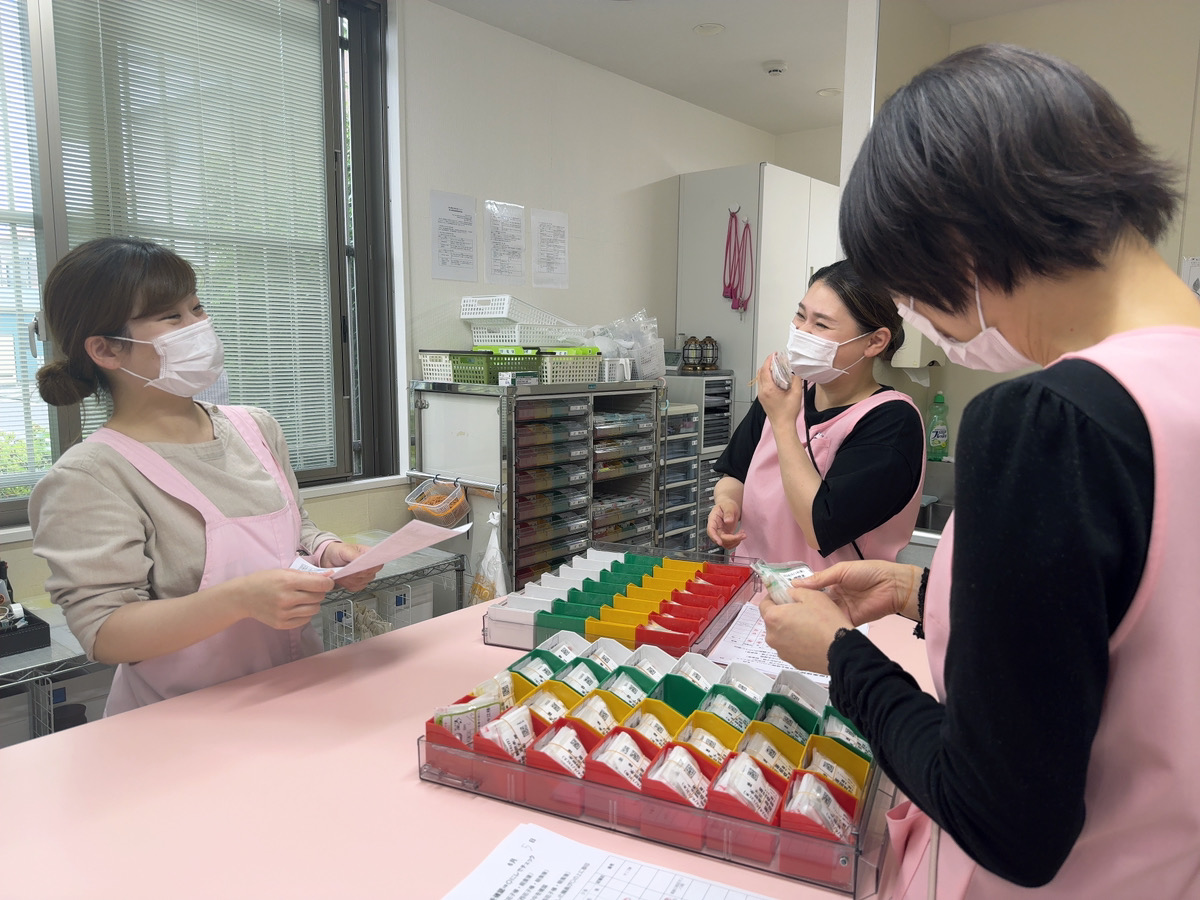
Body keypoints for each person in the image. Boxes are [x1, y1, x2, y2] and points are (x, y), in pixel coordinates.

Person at [758, 44, 1200, 899]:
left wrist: (845, 657)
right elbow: (1136, 637)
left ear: (959, 244)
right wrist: (922, 595)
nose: (924, 318)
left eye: (914, 294)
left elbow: (1007, 820)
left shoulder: (1053, 427)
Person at [29, 237, 382, 715]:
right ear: (107, 350)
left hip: (294, 692)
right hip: (180, 722)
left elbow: (296, 530)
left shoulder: (255, 428)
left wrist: (329, 553)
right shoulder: (92, 475)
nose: (199, 327)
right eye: (171, 317)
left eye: (197, 308)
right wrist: (239, 600)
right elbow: (106, 632)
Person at [706, 259, 925, 567]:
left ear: (875, 341)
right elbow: (736, 473)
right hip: (755, 594)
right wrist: (728, 503)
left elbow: (820, 529)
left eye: (821, 324)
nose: (801, 332)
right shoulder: (787, 392)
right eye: (800, 315)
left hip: (833, 607)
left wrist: (783, 422)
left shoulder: (891, 420)